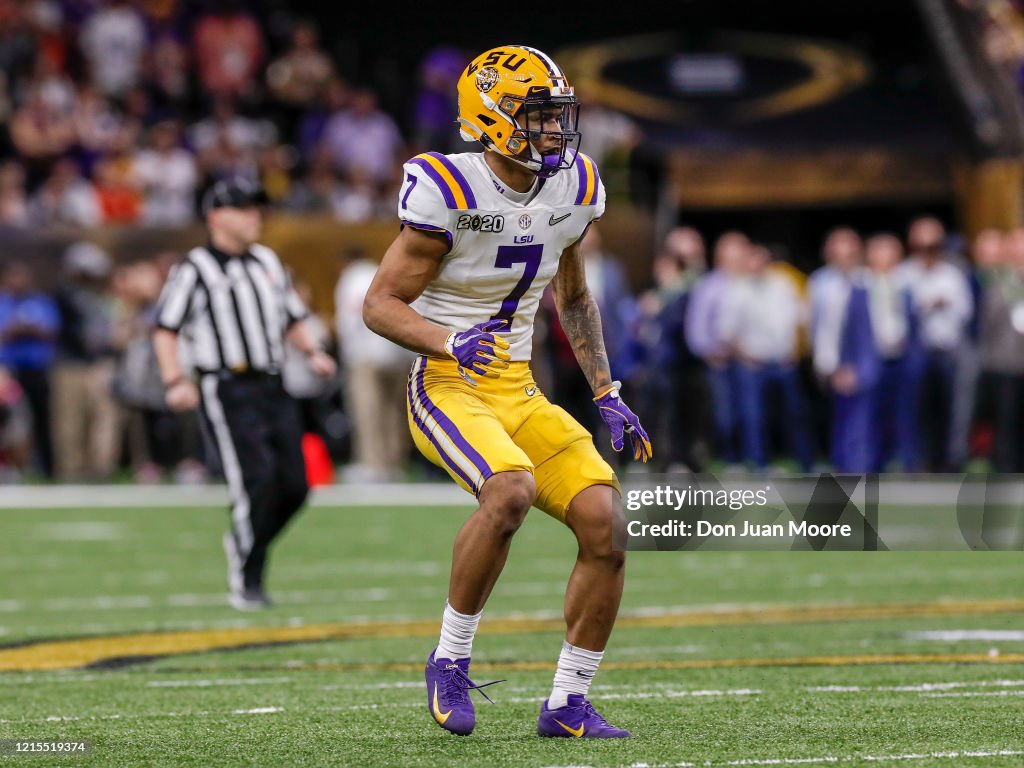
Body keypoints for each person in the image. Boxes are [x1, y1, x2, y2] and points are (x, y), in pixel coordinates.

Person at [362, 45, 651, 739]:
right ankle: (450, 659)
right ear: (492, 120)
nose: (555, 130)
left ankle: (567, 703)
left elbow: (574, 297)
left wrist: (606, 389)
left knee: (607, 525)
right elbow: (378, 304)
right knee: (511, 489)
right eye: (538, 116)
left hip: (517, 389)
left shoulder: (573, 185)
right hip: (448, 381)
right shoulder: (448, 190)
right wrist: (446, 340)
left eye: (557, 116)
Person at [152, 178, 336, 610]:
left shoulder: (266, 261)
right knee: (254, 481)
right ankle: (248, 578)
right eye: (243, 208)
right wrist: (175, 380)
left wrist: (311, 351)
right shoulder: (195, 267)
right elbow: (166, 328)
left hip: (273, 383)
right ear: (215, 216)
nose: (255, 216)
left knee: (295, 485)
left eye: (257, 207)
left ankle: (245, 542)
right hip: (227, 385)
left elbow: (291, 314)